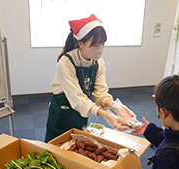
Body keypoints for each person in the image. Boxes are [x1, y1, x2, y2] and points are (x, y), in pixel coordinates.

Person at [45, 14, 134, 142]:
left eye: (103, 44)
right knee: (55, 148)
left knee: (76, 147)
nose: (100, 49)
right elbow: (78, 98)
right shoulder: (66, 62)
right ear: (80, 43)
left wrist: (116, 107)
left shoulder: (98, 63)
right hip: (62, 112)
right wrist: (107, 115)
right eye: (95, 45)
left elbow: (100, 93)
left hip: (81, 112)